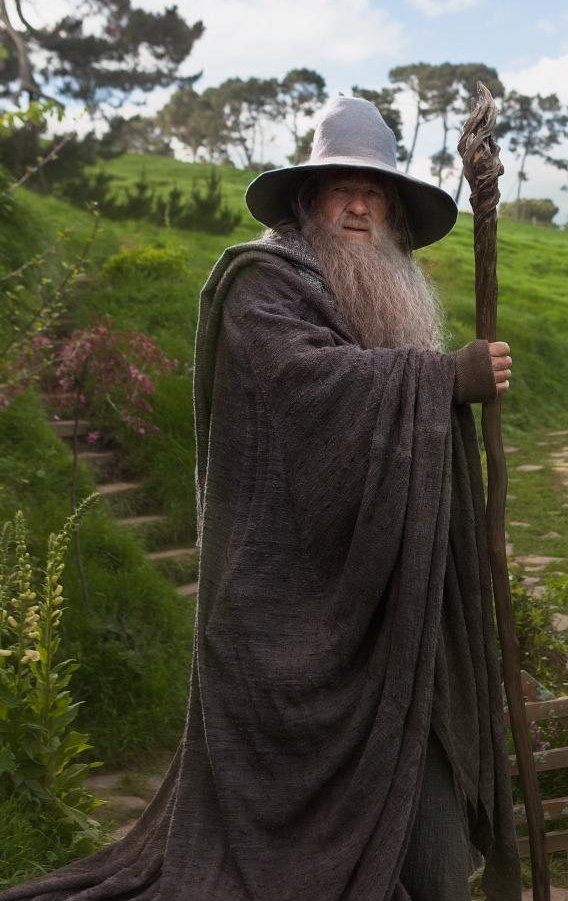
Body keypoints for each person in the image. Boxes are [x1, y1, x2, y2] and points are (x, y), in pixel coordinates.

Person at [0, 96, 523, 900]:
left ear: (393, 211)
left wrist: (440, 389)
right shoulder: (260, 287)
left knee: (425, 765)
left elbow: (392, 441)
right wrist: (444, 379)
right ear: (310, 199)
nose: (360, 206)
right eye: (343, 188)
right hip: (279, 603)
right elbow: (307, 386)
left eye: (375, 192)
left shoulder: (387, 296)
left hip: (386, 596)